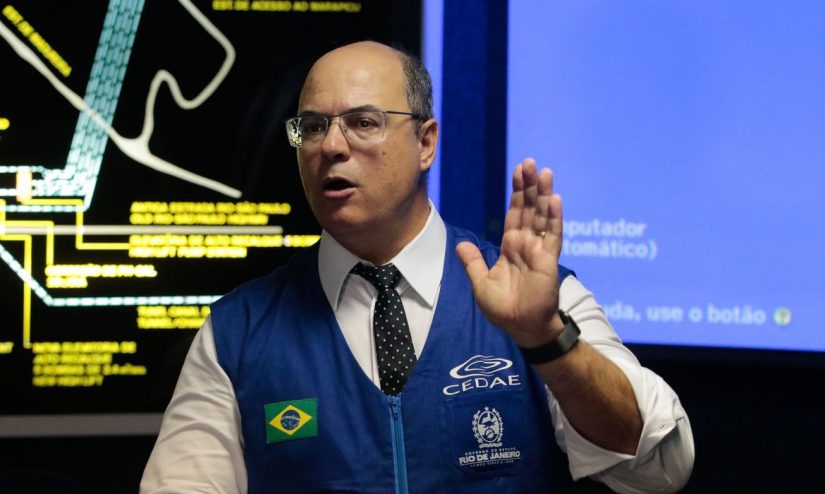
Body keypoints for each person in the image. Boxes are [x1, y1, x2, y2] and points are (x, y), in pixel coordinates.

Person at [141, 41, 694, 493]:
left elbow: (659, 466)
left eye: (362, 122)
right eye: (311, 126)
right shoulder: (238, 332)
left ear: (426, 143)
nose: (330, 146)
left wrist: (546, 340)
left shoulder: (536, 298)